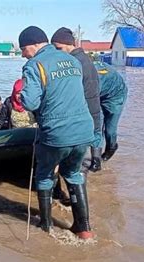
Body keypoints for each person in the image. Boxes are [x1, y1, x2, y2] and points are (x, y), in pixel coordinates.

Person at [19, 26, 95, 239]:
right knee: (73, 174)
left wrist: (22, 95)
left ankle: (46, 228)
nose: (23, 54)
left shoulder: (34, 65)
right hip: (84, 130)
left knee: (43, 176)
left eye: (24, 49)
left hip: (57, 133)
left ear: (34, 45)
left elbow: (31, 101)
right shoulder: (72, 60)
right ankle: (84, 229)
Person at [51, 27, 103, 172]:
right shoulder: (83, 59)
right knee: (84, 158)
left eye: (58, 48)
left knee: (80, 165)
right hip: (92, 110)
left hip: (85, 113)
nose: (57, 52)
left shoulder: (75, 62)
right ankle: (95, 163)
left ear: (68, 44)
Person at [93, 61, 128, 161]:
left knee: (109, 130)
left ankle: (111, 148)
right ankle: (96, 158)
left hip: (116, 96)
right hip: (99, 95)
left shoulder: (94, 79)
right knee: (97, 126)